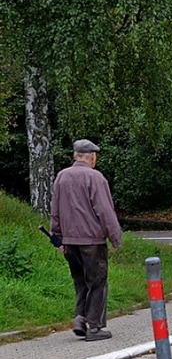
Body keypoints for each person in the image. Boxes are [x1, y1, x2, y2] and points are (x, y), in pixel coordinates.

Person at [50, 139, 122, 341]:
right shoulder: (95, 178)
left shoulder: (61, 177)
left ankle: (80, 318)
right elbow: (105, 211)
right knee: (98, 282)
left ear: (75, 156)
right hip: (92, 241)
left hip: (70, 241)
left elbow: (55, 211)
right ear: (92, 156)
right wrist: (115, 238)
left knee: (80, 281)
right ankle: (95, 326)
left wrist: (57, 239)